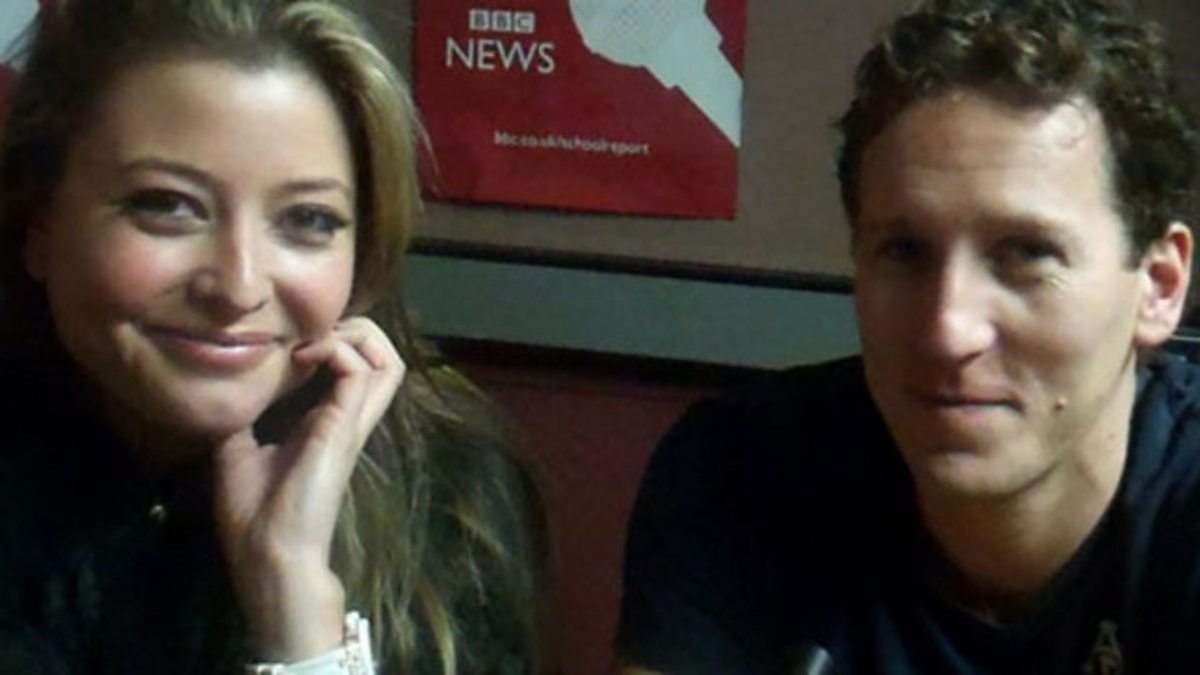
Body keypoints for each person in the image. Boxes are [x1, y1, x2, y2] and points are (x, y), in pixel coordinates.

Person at [615, 0, 1199, 672]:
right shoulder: (740, 474)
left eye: (1026, 254)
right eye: (905, 251)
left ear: (1159, 286)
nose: (948, 330)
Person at [0, 1, 544, 673]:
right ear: (40, 225)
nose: (238, 287)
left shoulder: (450, 491)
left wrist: (297, 607)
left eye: (308, 219)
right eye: (167, 205)